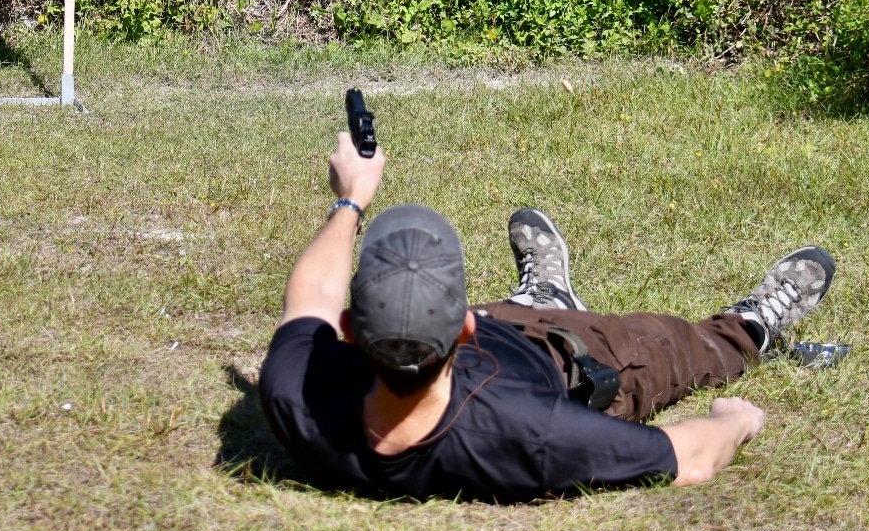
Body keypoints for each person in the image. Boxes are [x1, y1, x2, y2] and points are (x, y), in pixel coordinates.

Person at [258, 133, 838, 503]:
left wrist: (350, 198)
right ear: (463, 329)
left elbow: (310, 293)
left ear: (350, 330)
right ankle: (753, 327)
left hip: (500, 326)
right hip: (568, 359)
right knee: (677, 346)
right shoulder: (529, 432)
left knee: (526, 312)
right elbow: (689, 457)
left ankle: (545, 297)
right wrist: (737, 420)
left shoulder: (303, 397)